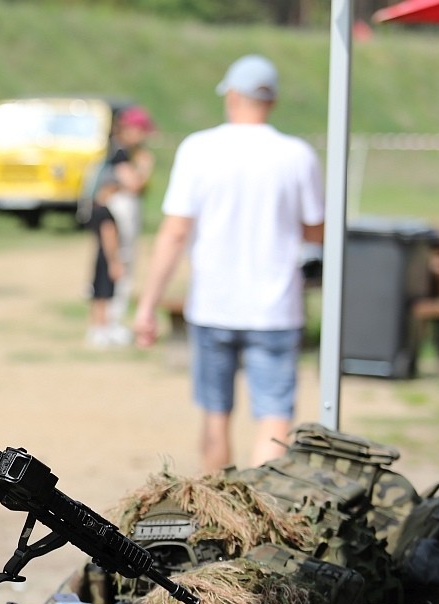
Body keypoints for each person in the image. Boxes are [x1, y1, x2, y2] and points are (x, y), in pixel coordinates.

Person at [133, 54, 324, 473]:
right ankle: (262, 510)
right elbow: (316, 232)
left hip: (214, 304)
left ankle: (220, 514)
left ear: (233, 96)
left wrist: (148, 304)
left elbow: (175, 233)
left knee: (215, 417)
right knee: (274, 418)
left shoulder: (199, 149)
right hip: (276, 307)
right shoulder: (297, 155)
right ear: (271, 101)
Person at [101, 105, 157, 345]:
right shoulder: (120, 152)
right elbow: (134, 184)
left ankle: (113, 321)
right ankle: (109, 324)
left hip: (122, 214)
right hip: (117, 216)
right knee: (119, 266)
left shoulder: (124, 152)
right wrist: (145, 168)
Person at [85, 169, 124, 347]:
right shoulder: (106, 212)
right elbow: (109, 236)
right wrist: (114, 261)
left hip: (98, 254)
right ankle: (102, 329)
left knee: (97, 293)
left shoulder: (94, 207)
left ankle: (96, 327)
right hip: (106, 256)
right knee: (104, 294)